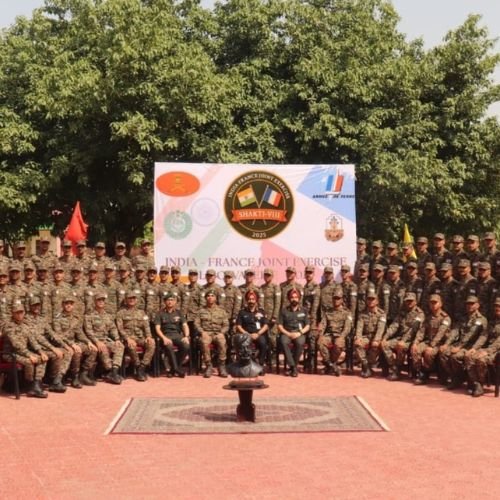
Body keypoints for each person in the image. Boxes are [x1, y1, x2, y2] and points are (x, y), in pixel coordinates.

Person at [439, 295, 488, 390]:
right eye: (468, 304)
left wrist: (463, 348)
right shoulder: (463, 318)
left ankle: (468, 379)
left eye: (472, 304)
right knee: (443, 352)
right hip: (460, 344)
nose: (469, 306)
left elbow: (478, 336)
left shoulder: (481, 319)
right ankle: (457, 377)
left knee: (455, 356)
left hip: (472, 346)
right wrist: (446, 344)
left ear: (477, 305)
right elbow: (455, 331)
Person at [2, 303, 48, 398]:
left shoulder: (25, 325)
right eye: (17, 313)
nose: (19, 315)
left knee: (42, 359)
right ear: (13, 313)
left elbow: (32, 340)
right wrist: (29, 354)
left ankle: (36, 384)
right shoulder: (8, 326)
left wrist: (41, 352)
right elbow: (16, 345)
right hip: (10, 354)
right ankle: (29, 385)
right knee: (29, 361)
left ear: (24, 313)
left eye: (21, 312)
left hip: (22, 353)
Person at [53, 296, 98, 388]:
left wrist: (88, 342)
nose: (69, 305)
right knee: (77, 352)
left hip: (73, 343)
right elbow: (59, 335)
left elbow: (79, 333)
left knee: (93, 349)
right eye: (66, 303)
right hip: (62, 344)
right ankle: (74, 377)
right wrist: (71, 344)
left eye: (71, 304)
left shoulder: (75, 318)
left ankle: (83, 374)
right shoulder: (57, 318)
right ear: (62, 305)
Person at [381, 292, 424, 381]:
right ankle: (394, 367)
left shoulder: (419, 314)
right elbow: (394, 326)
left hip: (412, 340)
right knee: (384, 344)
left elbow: (413, 330)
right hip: (400, 338)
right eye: (407, 301)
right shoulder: (402, 313)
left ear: (415, 302)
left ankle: (398, 369)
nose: (409, 303)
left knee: (401, 346)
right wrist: (385, 337)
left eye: (411, 301)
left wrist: (403, 341)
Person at [84, 292, 124, 384]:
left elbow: (113, 328)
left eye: (103, 300)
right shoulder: (89, 315)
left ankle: (114, 372)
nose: (101, 302)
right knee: (103, 348)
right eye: (99, 300)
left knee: (120, 346)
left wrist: (117, 339)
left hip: (105, 340)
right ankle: (109, 371)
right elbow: (88, 331)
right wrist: (97, 342)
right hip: (94, 341)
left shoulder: (107, 315)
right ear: (94, 301)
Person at [411, 294, 451, 385]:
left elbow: (440, 334)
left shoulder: (445, 318)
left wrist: (431, 346)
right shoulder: (428, 317)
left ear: (441, 304)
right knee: (415, 350)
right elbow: (421, 331)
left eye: (435, 303)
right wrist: (415, 342)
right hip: (428, 341)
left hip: (440, 343)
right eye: (431, 303)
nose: (433, 305)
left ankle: (432, 371)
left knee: (429, 353)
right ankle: (421, 373)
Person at [116, 290, 155, 381]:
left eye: (133, 298)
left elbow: (146, 326)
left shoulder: (142, 313)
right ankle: (137, 366)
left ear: (136, 300)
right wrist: (127, 339)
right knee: (132, 346)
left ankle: (142, 367)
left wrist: (148, 336)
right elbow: (120, 328)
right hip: (128, 339)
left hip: (140, 337)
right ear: (126, 300)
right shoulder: (120, 313)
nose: (132, 300)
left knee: (152, 344)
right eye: (129, 298)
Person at [465, 297, 500, 397]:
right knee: (469, 356)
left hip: (496, 350)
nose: (497, 308)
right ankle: (477, 384)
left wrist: (488, 351)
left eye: (499, 306)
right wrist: (474, 348)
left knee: (480, 358)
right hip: (488, 349)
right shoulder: (493, 321)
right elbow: (484, 336)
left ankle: (480, 383)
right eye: (496, 306)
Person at [317, 287, 352, 376]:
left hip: (340, 335)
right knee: (320, 342)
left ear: (342, 300)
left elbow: (347, 328)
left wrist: (342, 337)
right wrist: (320, 333)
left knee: (338, 343)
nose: (336, 300)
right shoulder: (328, 312)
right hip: (329, 335)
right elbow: (323, 324)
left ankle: (329, 365)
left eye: (338, 298)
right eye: (334, 298)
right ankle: (331, 365)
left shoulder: (347, 313)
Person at [194, 289, 229, 378]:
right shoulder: (201, 311)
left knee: (222, 341)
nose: (210, 297)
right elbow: (196, 324)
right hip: (206, 333)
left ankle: (221, 366)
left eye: (212, 296)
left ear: (216, 298)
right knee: (204, 342)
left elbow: (226, 325)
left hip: (218, 333)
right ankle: (208, 365)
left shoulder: (221, 311)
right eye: (208, 296)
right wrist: (202, 332)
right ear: (206, 298)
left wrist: (222, 332)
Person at [154, 293, 189, 378]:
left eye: (172, 300)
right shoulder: (160, 313)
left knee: (186, 346)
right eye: (168, 300)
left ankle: (173, 369)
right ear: (164, 302)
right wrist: (164, 338)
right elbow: (157, 328)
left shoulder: (179, 313)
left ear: (175, 302)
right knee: (169, 346)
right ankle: (177, 369)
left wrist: (186, 336)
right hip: (166, 336)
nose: (170, 302)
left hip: (177, 335)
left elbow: (185, 325)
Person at [277, 288, 310, 377]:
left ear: (299, 298)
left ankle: (292, 367)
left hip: (299, 333)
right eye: (292, 297)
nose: (294, 299)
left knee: (300, 343)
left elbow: (307, 326)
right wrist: (288, 334)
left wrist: (299, 333)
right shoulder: (284, 310)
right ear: (289, 299)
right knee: (283, 342)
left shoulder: (304, 310)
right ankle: (293, 367)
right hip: (287, 333)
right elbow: (279, 326)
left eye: (296, 297)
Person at [354, 291, 386, 378]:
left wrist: (376, 340)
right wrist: (358, 338)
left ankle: (368, 365)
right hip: (366, 337)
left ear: (377, 301)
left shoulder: (381, 314)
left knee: (375, 345)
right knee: (357, 344)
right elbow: (359, 327)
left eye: (373, 299)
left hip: (377, 337)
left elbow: (380, 329)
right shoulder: (362, 314)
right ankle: (366, 365)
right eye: (369, 299)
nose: (371, 301)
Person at [235, 290, 269, 369]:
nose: (251, 301)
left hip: (258, 334)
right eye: (249, 299)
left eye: (253, 299)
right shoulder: (242, 312)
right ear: (247, 301)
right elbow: (238, 326)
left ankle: (260, 363)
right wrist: (248, 334)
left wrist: (258, 334)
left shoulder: (261, 311)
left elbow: (266, 325)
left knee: (263, 343)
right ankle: (247, 364)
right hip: (246, 334)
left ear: (256, 300)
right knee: (244, 345)